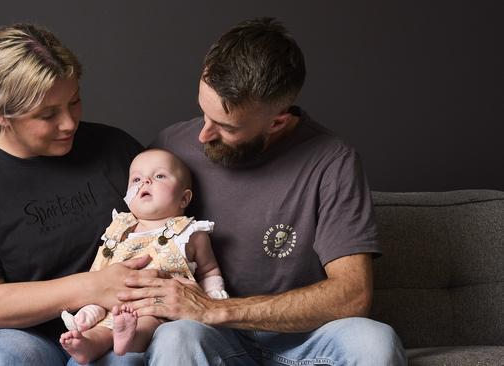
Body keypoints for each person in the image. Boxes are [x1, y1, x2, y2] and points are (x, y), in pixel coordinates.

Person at [117, 17, 408, 365]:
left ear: (277, 122)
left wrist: (216, 309)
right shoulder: (169, 148)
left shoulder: (333, 161)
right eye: (202, 113)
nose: (203, 135)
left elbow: (353, 294)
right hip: (209, 338)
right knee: (176, 337)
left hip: (303, 339)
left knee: (375, 341)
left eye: (225, 126)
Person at [0, 23, 148, 365]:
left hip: (113, 325)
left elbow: (171, 222)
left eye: (74, 102)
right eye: (47, 114)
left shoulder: (114, 149)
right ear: (1, 115)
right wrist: (94, 285)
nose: (69, 123)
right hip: (20, 335)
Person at [59, 148, 228, 364]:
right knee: (99, 329)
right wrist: (93, 306)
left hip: (158, 306)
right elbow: (101, 268)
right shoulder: (119, 228)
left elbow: (209, 270)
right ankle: (87, 346)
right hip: (111, 302)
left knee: (148, 322)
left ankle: (129, 339)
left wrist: (214, 296)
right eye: (136, 179)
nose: (145, 182)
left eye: (159, 176)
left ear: (184, 198)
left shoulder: (190, 233)